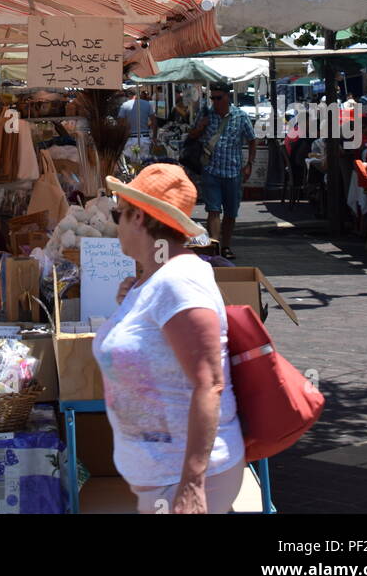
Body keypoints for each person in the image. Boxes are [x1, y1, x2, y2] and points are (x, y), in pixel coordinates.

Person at [93, 165, 245, 515]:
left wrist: (192, 484)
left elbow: (209, 384)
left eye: (119, 213)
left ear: (139, 219)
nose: (115, 223)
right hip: (165, 478)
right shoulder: (159, 277)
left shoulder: (179, 281)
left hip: (179, 480)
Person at [187, 80, 256, 259]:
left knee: (231, 212)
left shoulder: (240, 116)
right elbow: (191, 136)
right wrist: (201, 126)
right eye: (213, 98)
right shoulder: (206, 114)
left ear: (227, 97)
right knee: (213, 209)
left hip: (233, 172)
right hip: (211, 170)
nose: (215, 102)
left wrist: (249, 164)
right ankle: (215, 246)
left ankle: (226, 246)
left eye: (218, 98)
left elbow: (252, 139)